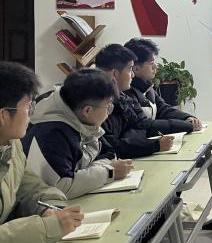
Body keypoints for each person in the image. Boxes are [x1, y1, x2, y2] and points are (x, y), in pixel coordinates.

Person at [0, 61, 83, 243]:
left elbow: (30, 187)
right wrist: (47, 228)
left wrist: (49, 207)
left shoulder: (11, 143)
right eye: (28, 106)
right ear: (3, 115)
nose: (32, 114)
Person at [22, 69, 134, 199]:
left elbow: (109, 154)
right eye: (108, 107)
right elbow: (63, 186)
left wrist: (90, 173)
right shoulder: (51, 133)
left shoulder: (83, 122)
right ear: (87, 110)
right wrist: (109, 172)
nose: (108, 114)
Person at [95, 44, 174, 158]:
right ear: (115, 73)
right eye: (129, 69)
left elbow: (140, 125)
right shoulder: (98, 104)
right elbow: (112, 147)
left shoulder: (122, 98)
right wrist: (155, 145)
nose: (132, 75)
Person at [123, 38, 200, 134]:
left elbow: (164, 109)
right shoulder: (126, 92)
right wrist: (185, 126)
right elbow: (144, 124)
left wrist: (187, 118)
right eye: (151, 63)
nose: (155, 66)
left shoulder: (148, 88)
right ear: (136, 68)